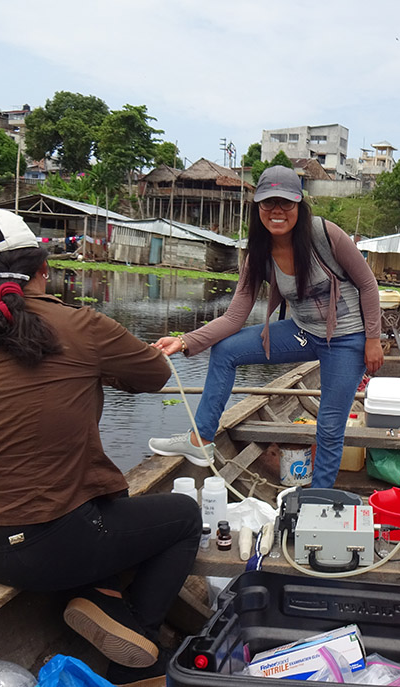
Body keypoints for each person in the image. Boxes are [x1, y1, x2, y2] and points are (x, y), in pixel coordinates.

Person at [0, 209, 200, 683]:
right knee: (182, 516)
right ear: (43, 270)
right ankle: (137, 640)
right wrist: (103, 367)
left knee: (90, 502)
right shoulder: (83, 326)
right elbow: (156, 375)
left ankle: (101, 595)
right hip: (42, 548)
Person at [149, 165, 384, 489]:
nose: (277, 211)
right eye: (268, 203)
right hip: (304, 332)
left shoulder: (325, 235)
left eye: (285, 203)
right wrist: (185, 341)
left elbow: (368, 284)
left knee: (329, 427)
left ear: (299, 205)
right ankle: (200, 439)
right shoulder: (258, 255)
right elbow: (234, 317)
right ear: (257, 207)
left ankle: (317, 498)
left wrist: (373, 338)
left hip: (347, 340)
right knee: (227, 350)